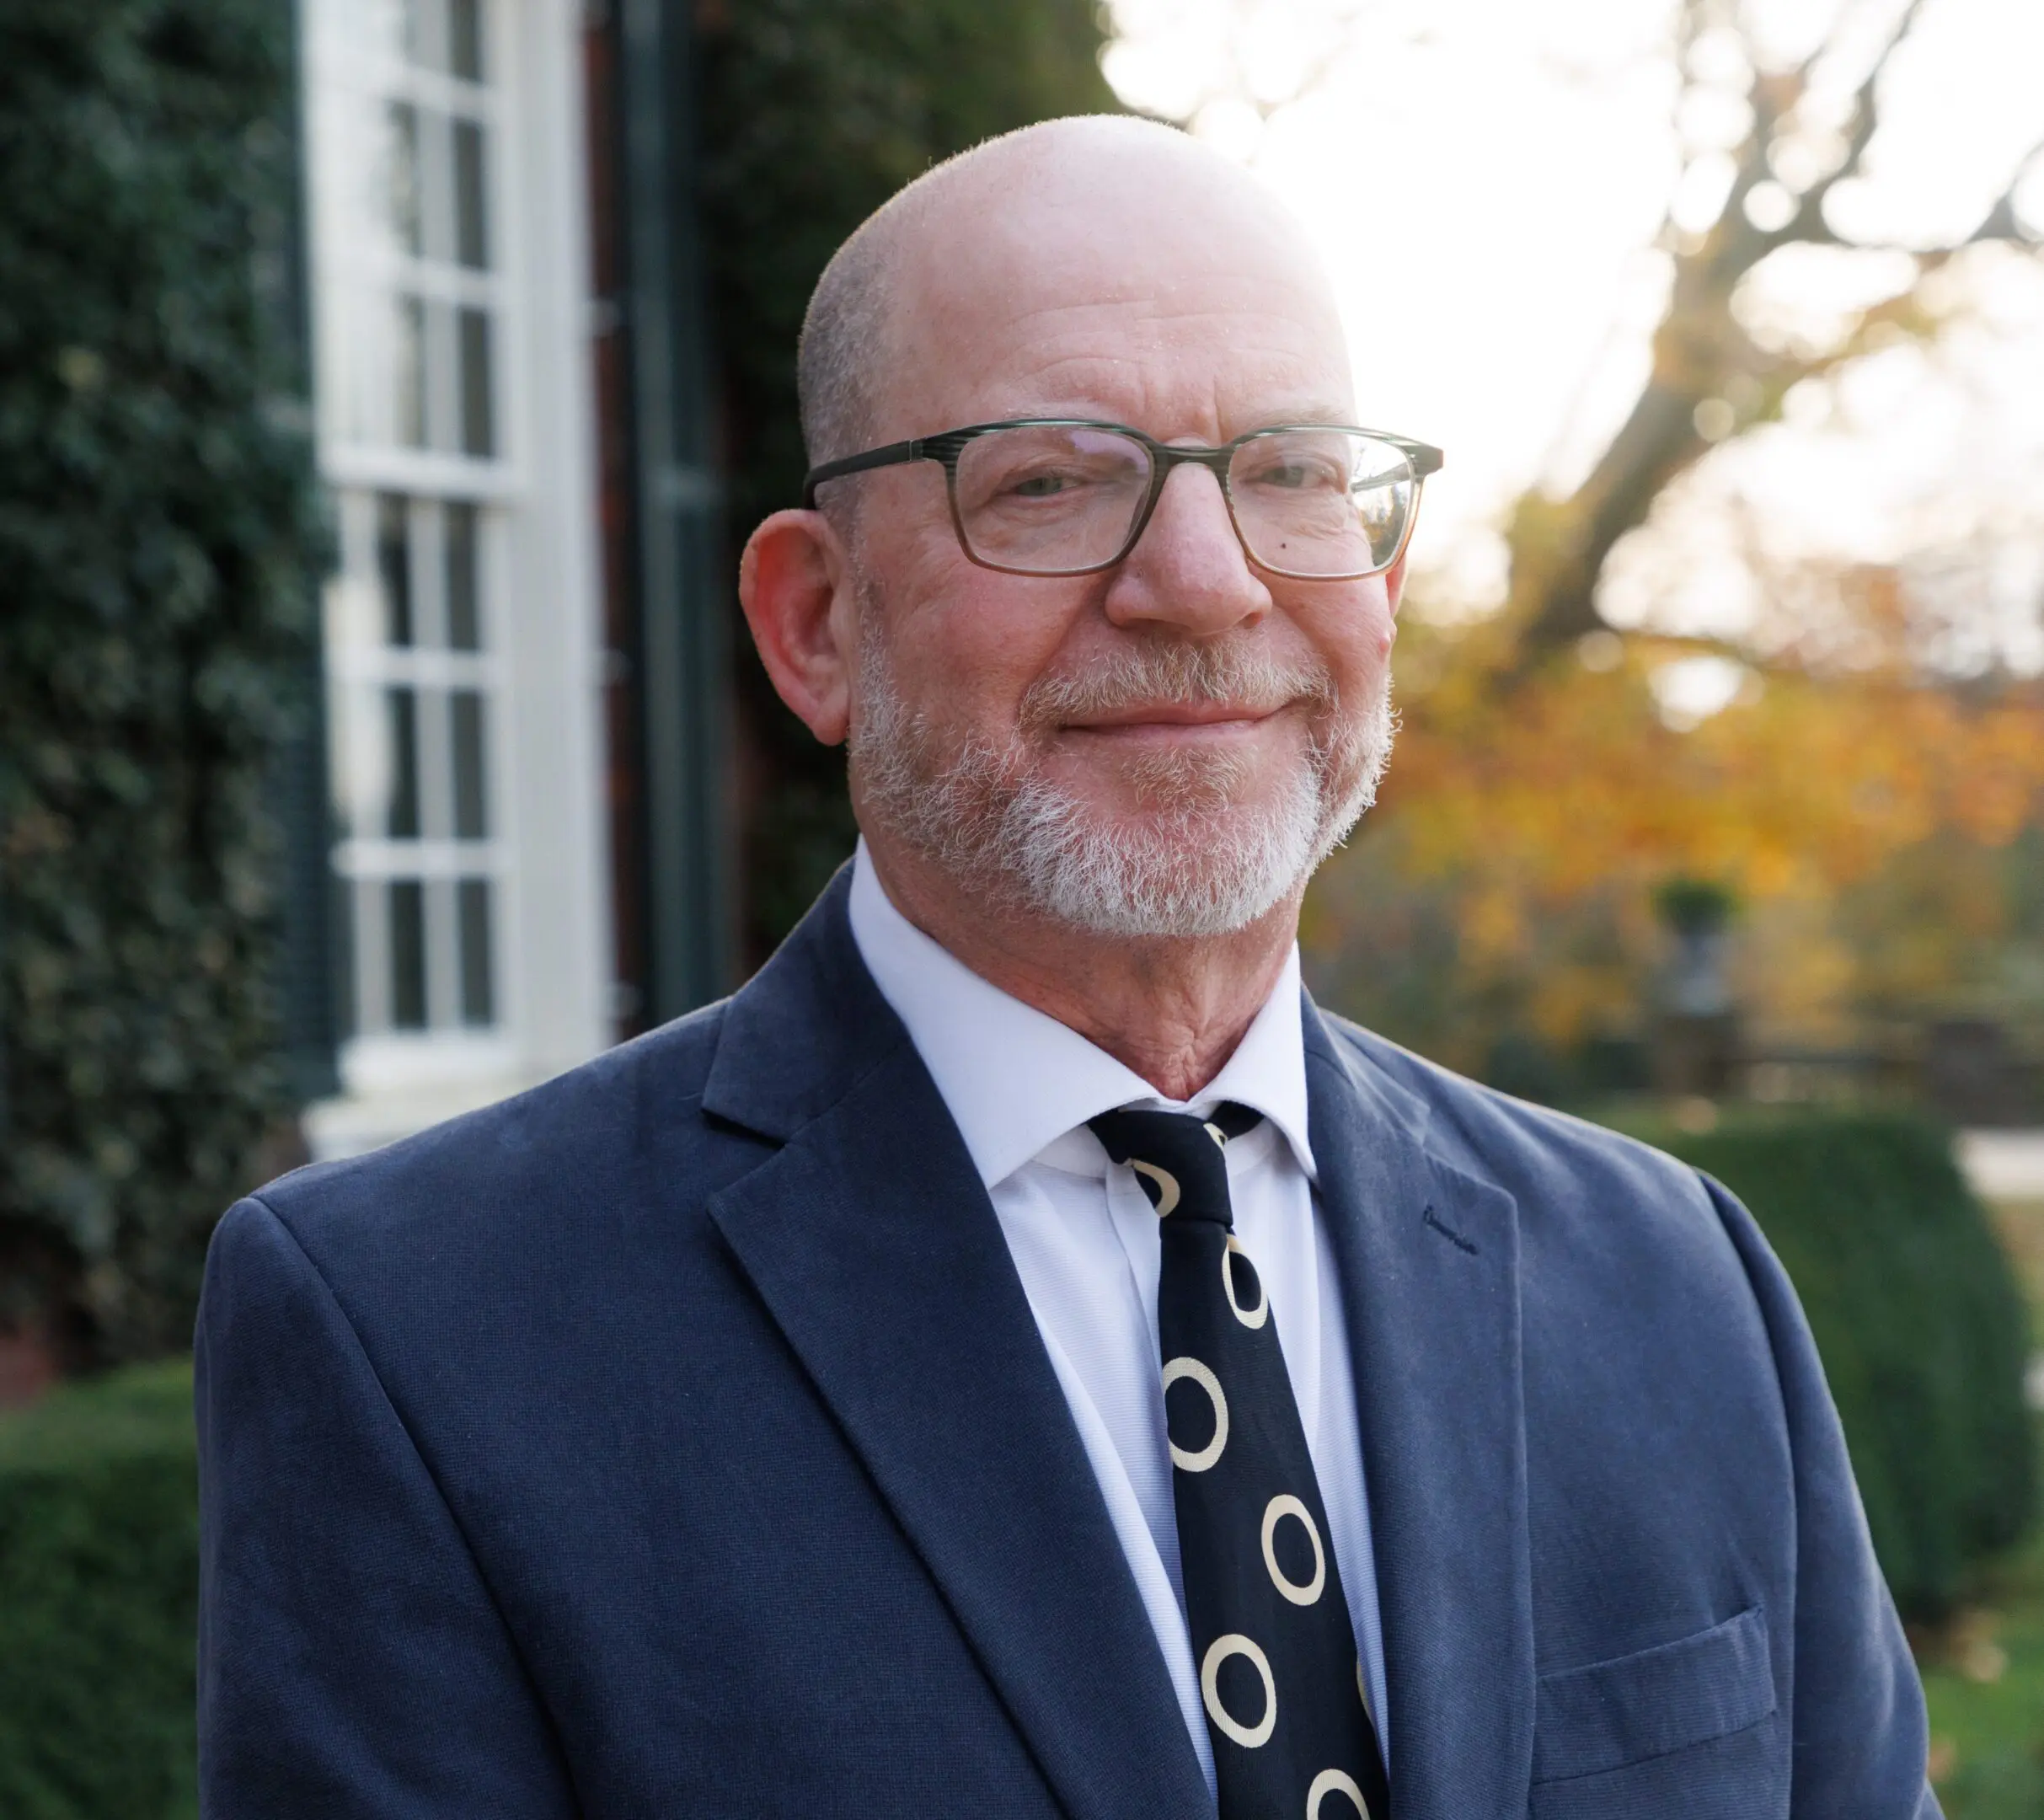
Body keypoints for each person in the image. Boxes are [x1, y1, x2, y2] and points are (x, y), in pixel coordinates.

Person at [195, 116, 1936, 1818]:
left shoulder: (1673, 1283)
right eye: (1049, 482)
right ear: (818, 625)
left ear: (1381, 572)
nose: (1202, 584)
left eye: (1291, 475)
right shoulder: (421, 1333)